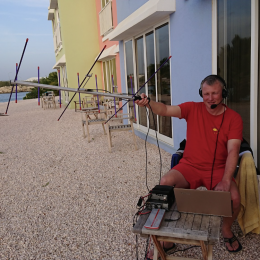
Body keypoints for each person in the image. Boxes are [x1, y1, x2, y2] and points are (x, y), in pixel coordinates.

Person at [135, 75, 243, 256]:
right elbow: (165, 110)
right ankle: (166, 239)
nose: (210, 98)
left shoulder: (234, 118)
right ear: (201, 93)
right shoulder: (192, 108)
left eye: (215, 93)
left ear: (223, 93)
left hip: (218, 169)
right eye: (206, 94)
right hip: (190, 166)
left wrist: (225, 179)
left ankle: (226, 229)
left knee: (234, 198)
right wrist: (148, 103)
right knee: (165, 182)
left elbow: (233, 151)